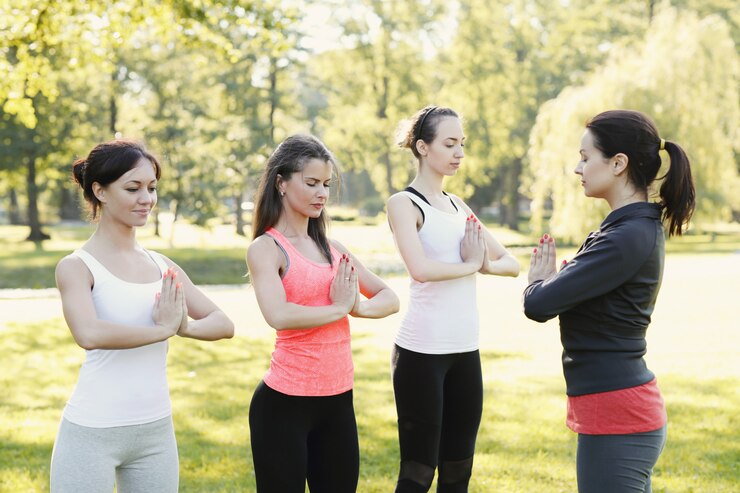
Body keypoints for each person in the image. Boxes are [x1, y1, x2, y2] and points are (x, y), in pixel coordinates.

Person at [523, 109, 696, 493]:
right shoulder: (625, 229)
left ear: (619, 163)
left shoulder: (626, 236)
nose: (577, 167)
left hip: (619, 412)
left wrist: (537, 282)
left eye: (586, 158)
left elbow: (538, 305)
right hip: (616, 405)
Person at [50, 139, 235, 493]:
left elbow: (223, 323)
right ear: (100, 191)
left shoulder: (161, 265)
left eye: (151, 188)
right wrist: (163, 329)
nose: (146, 198)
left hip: (155, 432)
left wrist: (185, 327)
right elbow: (88, 333)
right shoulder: (77, 267)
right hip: (92, 431)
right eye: (133, 188)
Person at [246, 134, 399, 493]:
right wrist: (337, 308)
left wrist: (357, 306)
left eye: (326, 184)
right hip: (283, 405)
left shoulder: (333, 249)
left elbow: (389, 297)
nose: (322, 193)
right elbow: (278, 314)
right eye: (312, 182)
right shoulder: (266, 249)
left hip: (338, 401)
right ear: (281, 183)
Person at [386, 105, 520, 493]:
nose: (459, 152)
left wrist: (479, 264)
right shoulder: (404, 203)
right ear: (423, 147)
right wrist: (471, 264)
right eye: (449, 143)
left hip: (465, 352)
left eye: (462, 143)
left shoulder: (460, 206)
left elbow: (509, 263)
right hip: (421, 354)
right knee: (418, 472)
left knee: (459, 470)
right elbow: (421, 268)